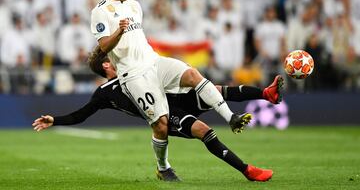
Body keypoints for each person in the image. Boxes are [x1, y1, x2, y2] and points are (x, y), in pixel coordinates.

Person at [90, 0, 250, 179]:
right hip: (133, 75)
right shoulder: (100, 11)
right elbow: (103, 47)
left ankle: (231, 117)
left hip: (153, 61)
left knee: (193, 74)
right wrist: (118, 31)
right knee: (161, 126)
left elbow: (137, 39)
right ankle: (163, 167)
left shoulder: (135, 6)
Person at [33, 47, 284, 182]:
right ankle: (247, 170)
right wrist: (55, 120)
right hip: (166, 113)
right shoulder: (105, 92)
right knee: (203, 131)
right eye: (112, 55)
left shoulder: (137, 68)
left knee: (215, 89)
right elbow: (81, 115)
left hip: (176, 96)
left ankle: (267, 94)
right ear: (107, 65)